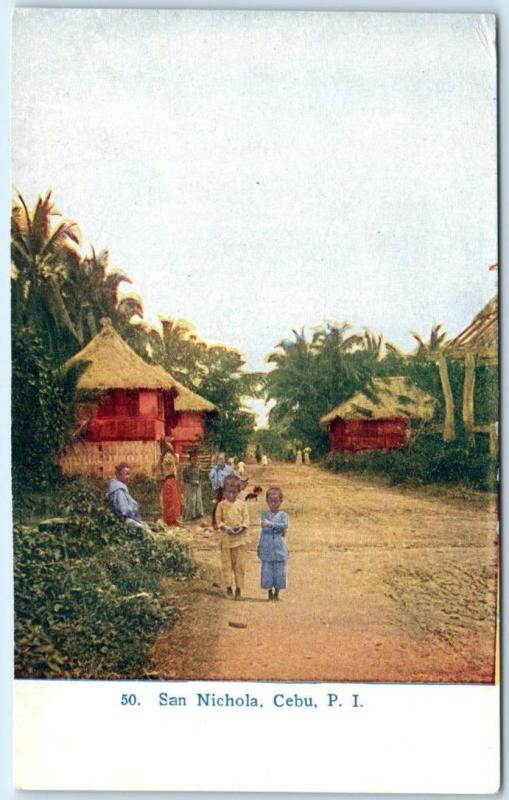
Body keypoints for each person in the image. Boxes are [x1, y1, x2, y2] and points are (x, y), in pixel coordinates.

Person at [216, 475, 250, 600]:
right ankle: (228, 587)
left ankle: (239, 589)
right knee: (227, 565)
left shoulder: (242, 505)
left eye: (234, 492)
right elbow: (218, 521)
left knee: (239, 566)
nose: (231, 495)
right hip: (226, 540)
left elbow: (246, 520)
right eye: (228, 492)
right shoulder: (221, 505)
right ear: (224, 492)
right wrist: (226, 528)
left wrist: (241, 528)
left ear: (238, 491)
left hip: (240, 541)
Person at [257, 486, 289, 601]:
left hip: (279, 548)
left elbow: (284, 526)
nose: (274, 503)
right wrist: (276, 527)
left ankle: (277, 593)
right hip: (267, 546)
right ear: (267, 501)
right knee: (267, 571)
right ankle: (269, 592)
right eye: (271, 501)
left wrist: (271, 525)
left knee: (280, 571)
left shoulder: (283, 515)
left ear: (281, 501)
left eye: (276, 501)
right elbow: (265, 529)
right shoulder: (264, 515)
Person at [107, 463, 144, 529]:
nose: (128, 477)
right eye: (126, 474)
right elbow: (123, 510)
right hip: (123, 522)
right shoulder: (119, 490)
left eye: (129, 474)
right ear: (119, 475)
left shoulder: (119, 487)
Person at [209, 453, 238, 529]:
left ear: (225, 460)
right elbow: (211, 476)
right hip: (219, 489)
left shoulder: (229, 469)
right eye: (219, 459)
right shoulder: (215, 469)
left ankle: (228, 522)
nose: (221, 461)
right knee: (218, 504)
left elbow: (236, 475)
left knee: (229, 504)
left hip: (227, 489)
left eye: (222, 459)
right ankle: (214, 522)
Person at [159, 438, 182, 526]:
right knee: (170, 500)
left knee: (174, 500)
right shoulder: (167, 456)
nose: (171, 446)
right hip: (169, 479)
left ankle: (173, 518)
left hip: (172, 479)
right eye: (169, 445)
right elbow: (168, 464)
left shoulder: (169, 455)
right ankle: (170, 519)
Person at [182, 451, 204, 522]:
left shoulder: (198, 468)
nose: (194, 461)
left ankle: (198, 515)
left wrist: (199, 481)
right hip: (190, 486)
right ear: (190, 460)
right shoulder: (187, 469)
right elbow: (185, 478)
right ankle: (190, 516)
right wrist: (192, 481)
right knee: (191, 500)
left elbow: (201, 477)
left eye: (196, 459)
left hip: (197, 486)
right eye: (193, 459)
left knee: (198, 500)